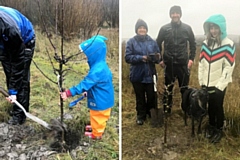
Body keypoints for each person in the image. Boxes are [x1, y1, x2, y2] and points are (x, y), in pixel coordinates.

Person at [61, 35, 114, 139]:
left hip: (101, 101)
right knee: (95, 116)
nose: (87, 58)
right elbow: (96, 84)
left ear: (95, 54)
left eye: (88, 55)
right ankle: (95, 127)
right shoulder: (100, 65)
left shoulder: (97, 70)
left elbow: (84, 85)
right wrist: (89, 91)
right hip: (102, 97)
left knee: (98, 117)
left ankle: (97, 134)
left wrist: (68, 93)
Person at [199, 14, 236, 143]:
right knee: (210, 107)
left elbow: (229, 67)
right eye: (211, 28)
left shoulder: (228, 45)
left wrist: (220, 86)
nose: (213, 31)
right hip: (207, 83)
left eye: (215, 28)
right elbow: (201, 64)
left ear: (221, 28)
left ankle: (219, 130)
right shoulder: (205, 44)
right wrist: (202, 82)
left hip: (219, 84)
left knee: (218, 106)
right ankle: (211, 126)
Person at [156, 5, 196, 114]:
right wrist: (160, 59)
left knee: (184, 89)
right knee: (168, 89)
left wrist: (191, 59)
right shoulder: (164, 29)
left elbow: (193, 44)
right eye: (173, 13)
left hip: (183, 64)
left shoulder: (187, 28)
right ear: (170, 15)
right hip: (169, 65)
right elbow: (157, 44)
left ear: (180, 14)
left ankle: (186, 110)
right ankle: (167, 110)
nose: (175, 15)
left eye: (177, 13)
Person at [0, 6, 35, 125]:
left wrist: (13, 91)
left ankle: (20, 115)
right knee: (9, 74)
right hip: (4, 44)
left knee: (21, 80)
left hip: (24, 41)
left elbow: (18, 62)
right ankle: (16, 107)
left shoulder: (10, 30)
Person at [125, 19, 161, 125]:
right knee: (140, 97)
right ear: (136, 30)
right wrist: (141, 58)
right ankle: (141, 116)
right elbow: (127, 57)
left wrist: (156, 57)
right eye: (140, 28)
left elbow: (158, 57)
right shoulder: (131, 42)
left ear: (146, 29)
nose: (142, 30)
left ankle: (152, 114)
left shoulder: (152, 42)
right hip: (137, 75)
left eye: (144, 28)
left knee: (152, 96)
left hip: (150, 74)